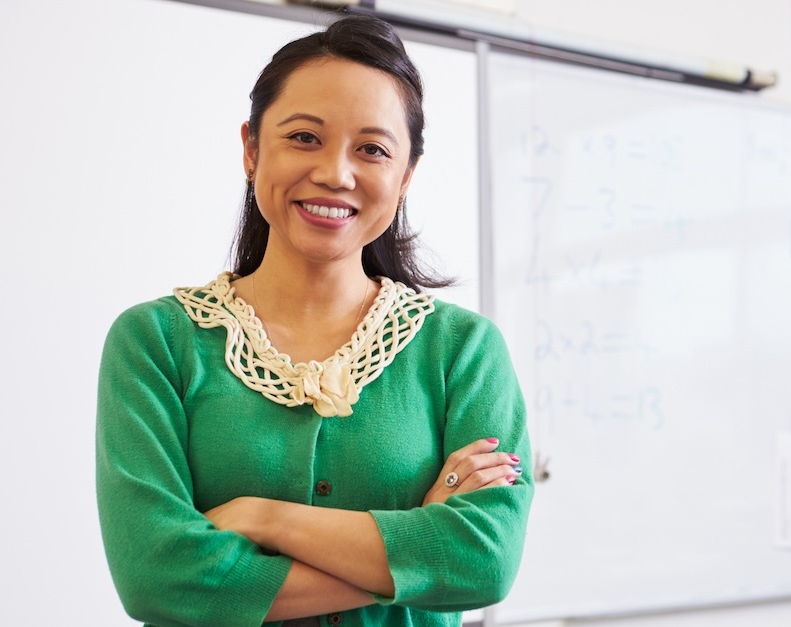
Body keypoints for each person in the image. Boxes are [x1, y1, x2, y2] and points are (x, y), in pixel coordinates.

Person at [95, 14, 532, 626]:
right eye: (304, 137)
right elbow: (157, 579)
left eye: (373, 150)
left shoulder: (463, 350)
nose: (336, 173)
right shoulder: (156, 342)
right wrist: (417, 552)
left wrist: (261, 516)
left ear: (405, 177)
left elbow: (485, 563)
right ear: (251, 148)